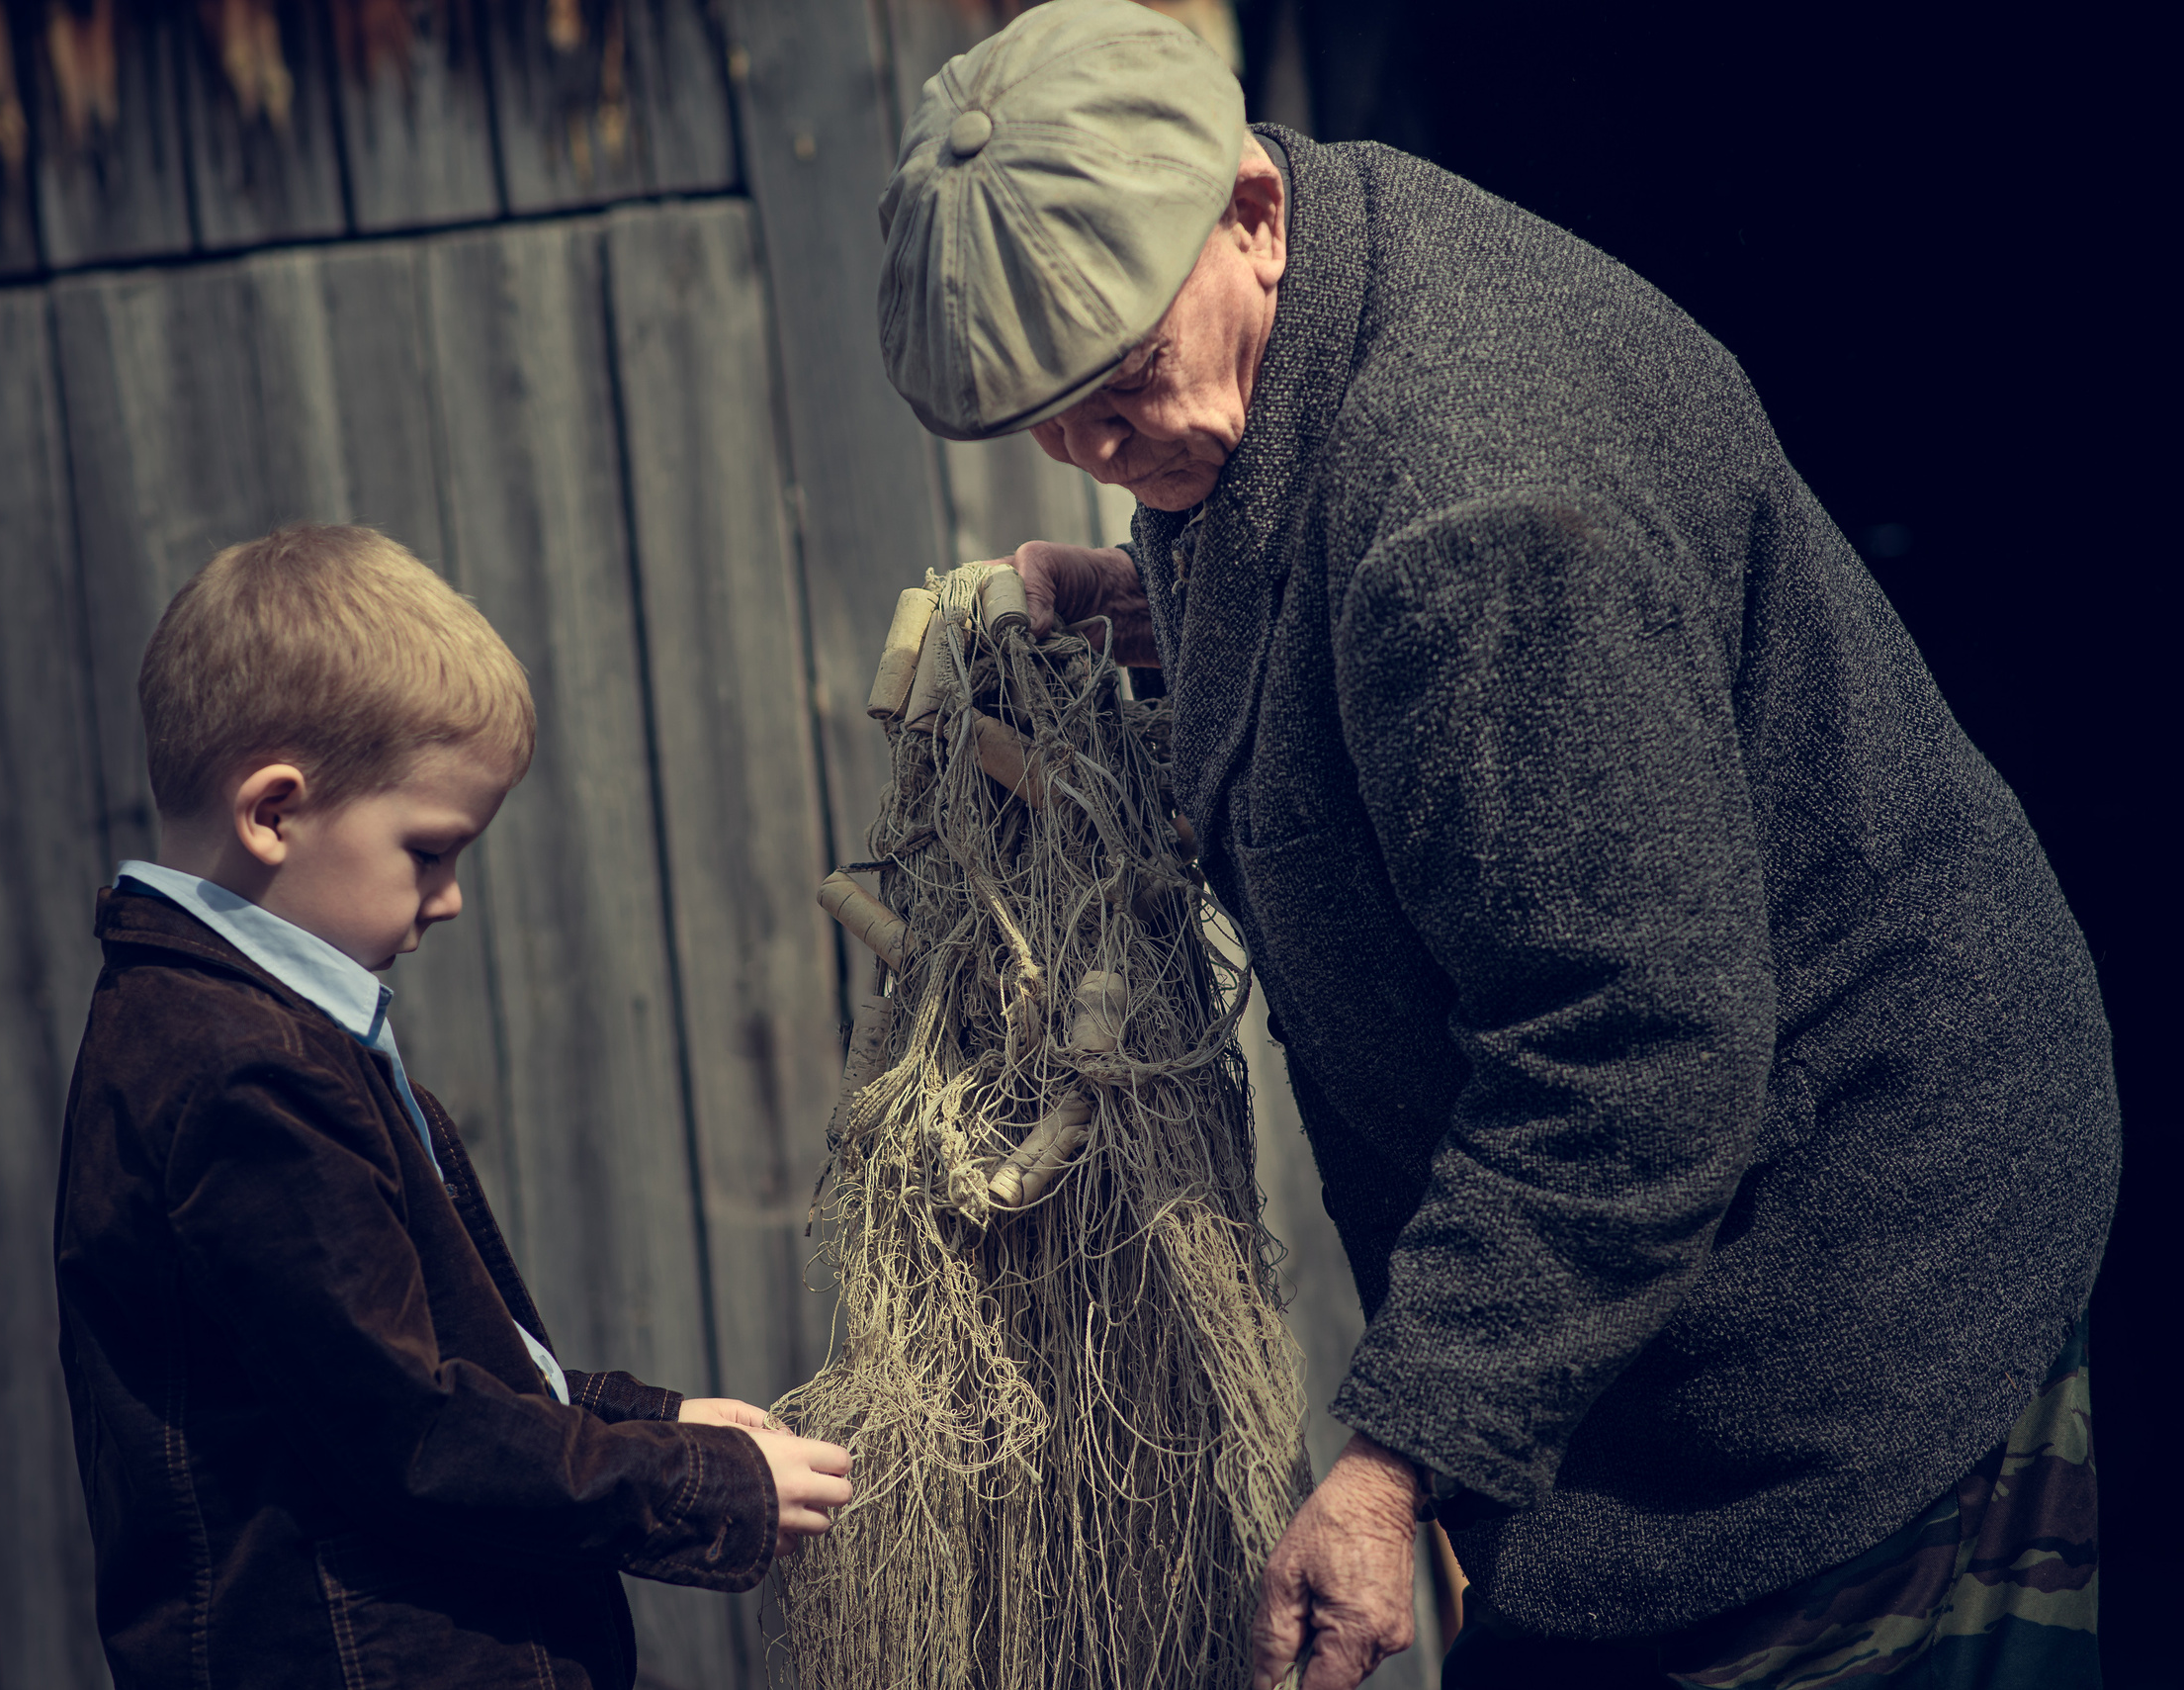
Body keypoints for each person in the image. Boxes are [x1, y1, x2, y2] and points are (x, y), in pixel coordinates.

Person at [871, 4, 2118, 1686]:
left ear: (1246, 207)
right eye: (1046, 415)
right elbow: (1346, 607)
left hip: (1851, 1273)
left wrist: (1395, 1456)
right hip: (1673, 1259)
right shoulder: (1312, 279)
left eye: (1118, 383)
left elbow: (1635, 1048)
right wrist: (1174, 616)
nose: (1093, 452)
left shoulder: (1479, 505)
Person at [54, 524, 852, 1689]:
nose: (452, 897)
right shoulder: (241, 1074)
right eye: (428, 850)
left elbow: (418, 1363)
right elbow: (412, 1431)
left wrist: (658, 1416)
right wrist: (698, 1484)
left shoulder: (251, 1031)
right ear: (274, 811)